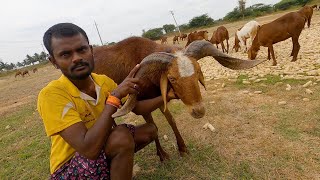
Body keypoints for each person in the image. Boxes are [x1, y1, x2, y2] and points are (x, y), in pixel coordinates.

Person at [38, 23, 176, 179]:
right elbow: (88, 149)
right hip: (69, 168)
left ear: (90, 50)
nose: (77, 58)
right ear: (54, 61)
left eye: (81, 50)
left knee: (150, 130)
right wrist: (114, 97)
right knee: (121, 137)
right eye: (65, 54)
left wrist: (167, 96)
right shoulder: (52, 94)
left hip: (98, 148)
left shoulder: (102, 81)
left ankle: (110, 169)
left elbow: (136, 108)